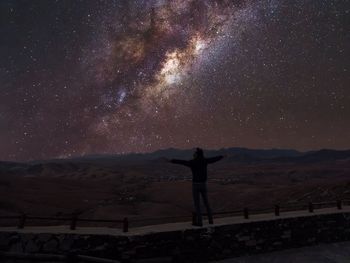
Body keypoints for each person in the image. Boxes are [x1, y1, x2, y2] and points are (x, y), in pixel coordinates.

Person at [169, 148, 224, 226]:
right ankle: (211, 220)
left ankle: (200, 222)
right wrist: (222, 156)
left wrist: (172, 161)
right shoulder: (205, 161)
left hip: (195, 185)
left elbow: (182, 162)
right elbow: (214, 159)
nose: (193, 154)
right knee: (206, 203)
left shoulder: (192, 162)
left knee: (197, 204)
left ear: (197, 154)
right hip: (203, 184)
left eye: (194, 153)